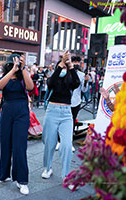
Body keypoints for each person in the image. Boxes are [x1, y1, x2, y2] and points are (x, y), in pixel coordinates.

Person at [0, 54, 34, 195]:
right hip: (7, 110)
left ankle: (22, 180)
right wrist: (12, 71)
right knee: (5, 144)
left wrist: (22, 68)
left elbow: (30, 87)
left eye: (16, 64)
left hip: (21, 111)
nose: (14, 66)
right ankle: (3, 174)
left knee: (19, 146)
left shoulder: (24, 75)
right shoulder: (6, 75)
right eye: (12, 64)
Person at [41, 51, 80, 190]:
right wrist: (61, 64)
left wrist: (70, 65)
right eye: (62, 66)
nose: (63, 69)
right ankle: (48, 168)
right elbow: (50, 82)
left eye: (65, 67)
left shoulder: (70, 80)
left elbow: (77, 82)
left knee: (67, 145)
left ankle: (66, 175)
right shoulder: (55, 78)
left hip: (66, 114)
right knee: (49, 143)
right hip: (52, 111)